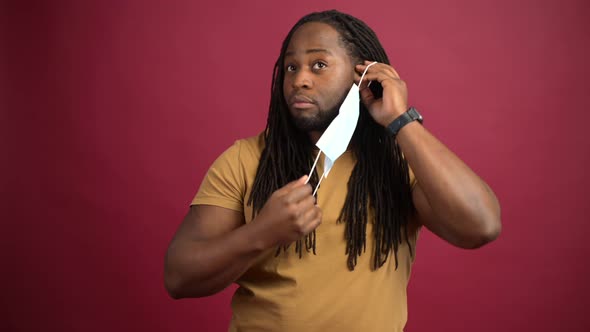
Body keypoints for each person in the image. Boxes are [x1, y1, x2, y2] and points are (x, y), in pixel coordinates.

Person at [164, 9, 501, 332]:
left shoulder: (402, 161)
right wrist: (261, 233)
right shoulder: (244, 159)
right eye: (291, 67)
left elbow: (481, 225)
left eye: (319, 64)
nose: (300, 80)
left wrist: (401, 121)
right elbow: (179, 277)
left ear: (364, 75)